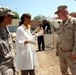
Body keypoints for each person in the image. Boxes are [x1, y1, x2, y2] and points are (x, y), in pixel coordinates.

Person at [55, 5, 76, 75]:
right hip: (62, 54)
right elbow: (58, 38)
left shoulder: (74, 22)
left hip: (71, 54)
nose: (57, 15)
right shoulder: (60, 25)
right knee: (64, 72)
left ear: (64, 11)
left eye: (58, 12)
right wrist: (57, 49)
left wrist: (75, 52)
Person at [0, 6, 18, 75]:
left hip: (12, 68)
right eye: (11, 16)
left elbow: (10, 50)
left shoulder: (6, 29)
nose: (12, 18)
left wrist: (15, 68)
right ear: (6, 17)